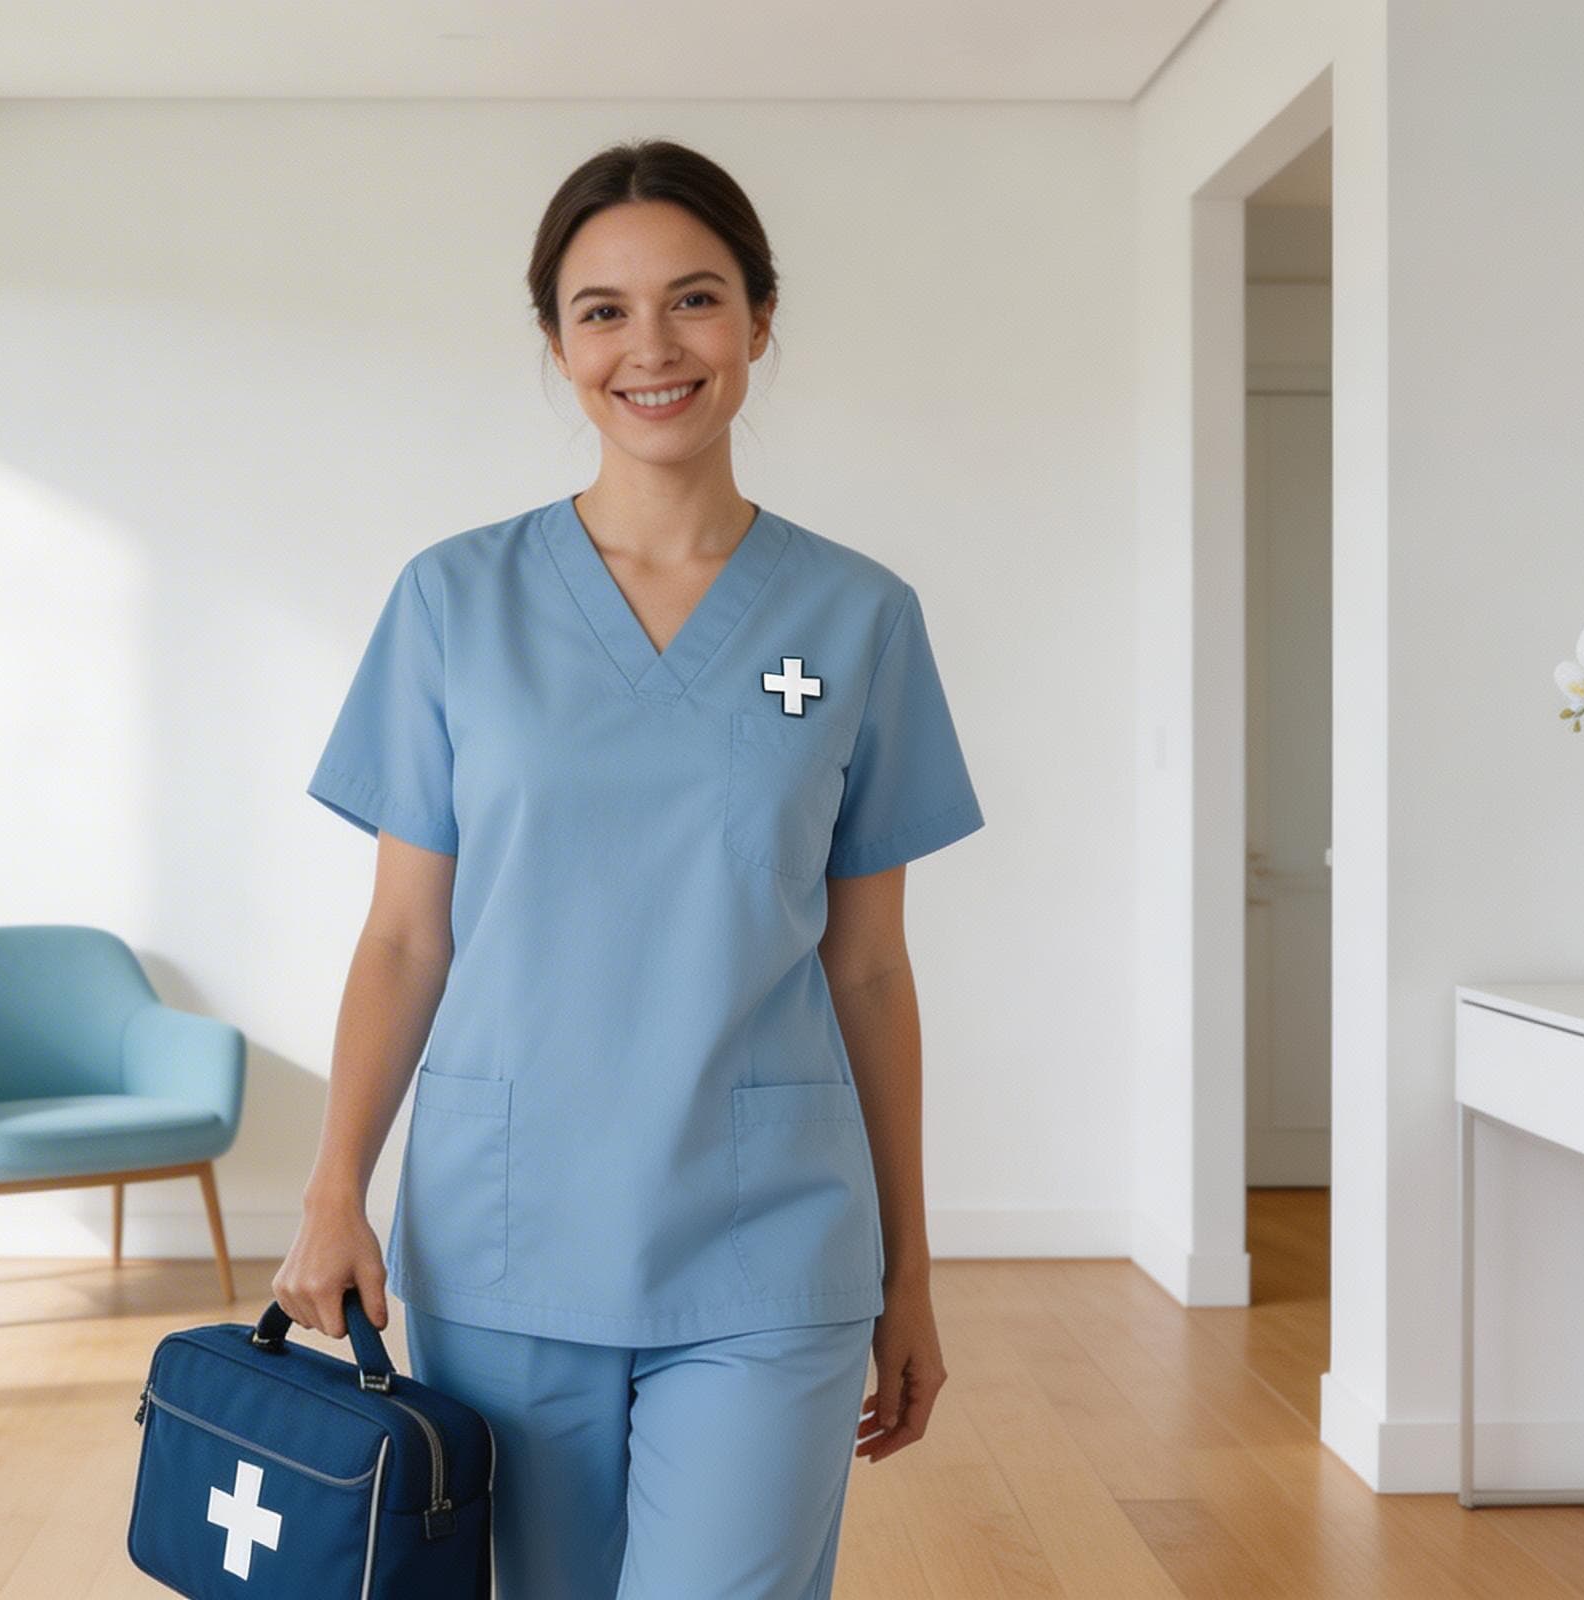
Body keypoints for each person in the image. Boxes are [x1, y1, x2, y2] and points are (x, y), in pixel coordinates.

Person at [278, 137, 985, 1599]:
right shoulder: (453, 603)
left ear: (761, 322)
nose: (651, 348)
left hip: (767, 1237)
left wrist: (910, 1270)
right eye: (602, 310)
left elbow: (869, 963)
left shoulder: (853, 619)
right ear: (555, 341)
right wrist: (332, 1187)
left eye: (696, 300)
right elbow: (408, 938)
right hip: (508, 1231)